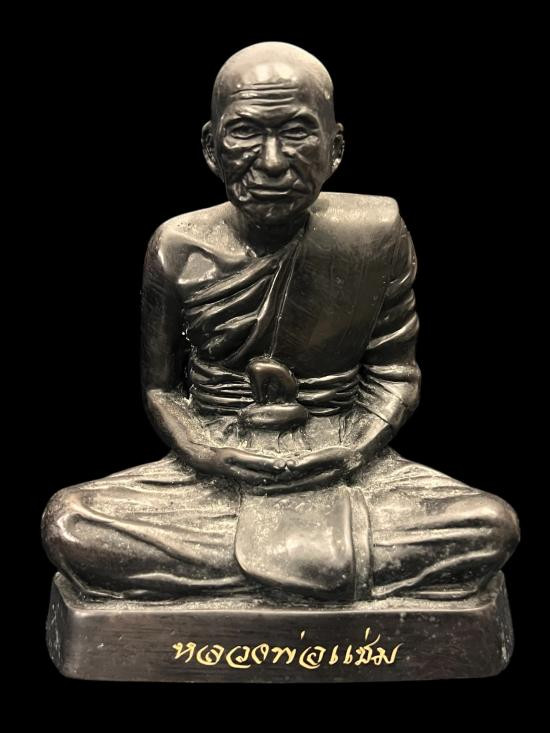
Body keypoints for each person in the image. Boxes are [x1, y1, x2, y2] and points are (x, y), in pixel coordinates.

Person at [41, 42, 519, 602]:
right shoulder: (178, 246)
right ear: (211, 148)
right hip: (219, 470)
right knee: (72, 522)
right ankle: (334, 575)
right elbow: (160, 390)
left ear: (335, 147)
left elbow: (396, 376)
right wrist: (209, 455)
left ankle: (256, 577)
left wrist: (351, 451)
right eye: (245, 133)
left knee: (490, 524)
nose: (271, 161)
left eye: (296, 133)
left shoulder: (375, 233)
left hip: (344, 462)